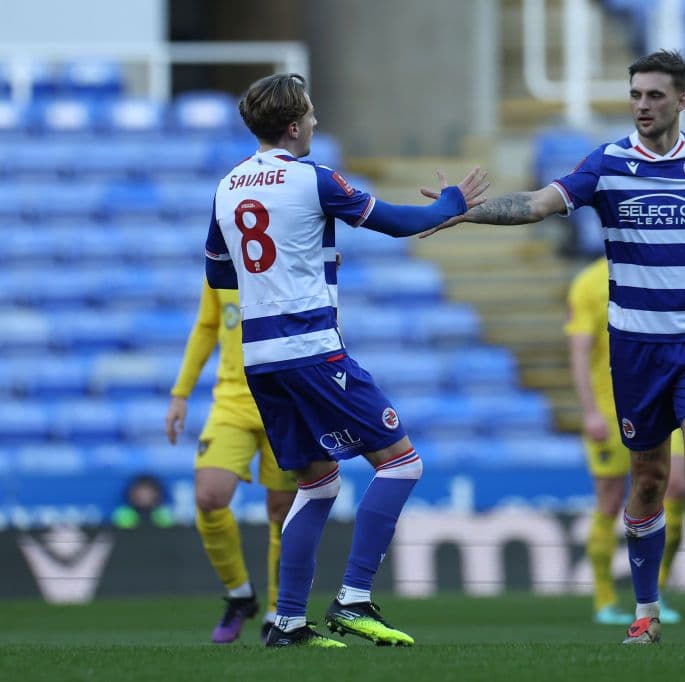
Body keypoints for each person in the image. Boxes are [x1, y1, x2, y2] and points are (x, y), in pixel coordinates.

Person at [421, 50, 685, 644]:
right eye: (635, 95)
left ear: (681, 100)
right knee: (649, 478)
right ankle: (647, 610)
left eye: (655, 95)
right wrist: (468, 213)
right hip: (636, 348)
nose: (643, 106)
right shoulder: (607, 164)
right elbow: (536, 204)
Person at [203, 73, 488, 649]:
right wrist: (454, 202)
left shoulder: (228, 186)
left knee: (317, 486)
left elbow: (217, 273)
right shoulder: (313, 179)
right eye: (309, 115)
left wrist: (276, 271)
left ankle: (286, 623)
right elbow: (402, 222)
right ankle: (354, 598)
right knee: (401, 463)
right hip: (311, 347)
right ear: (293, 125)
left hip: (259, 357)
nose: (314, 123)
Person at [165, 279, 297, 644]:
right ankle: (240, 594)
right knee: (209, 497)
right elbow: (207, 325)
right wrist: (180, 394)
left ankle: (278, 611)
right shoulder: (220, 266)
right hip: (231, 405)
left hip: (285, 403)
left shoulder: (286, 255)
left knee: (282, 514)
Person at [565, 257, 685, 626]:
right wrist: (589, 411)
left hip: (661, 404)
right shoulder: (589, 281)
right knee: (610, 500)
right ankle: (604, 600)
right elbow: (579, 351)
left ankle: (655, 593)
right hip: (609, 409)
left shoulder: (661, 271)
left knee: (676, 487)